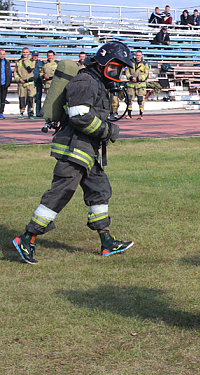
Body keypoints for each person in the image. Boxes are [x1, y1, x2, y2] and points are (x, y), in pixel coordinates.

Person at [12, 41, 135, 265]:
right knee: (60, 193)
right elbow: (80, 118)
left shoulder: (97, 82)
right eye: (115, 68)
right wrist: (107, 131)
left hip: (86, 151)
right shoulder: (85, 81)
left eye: (121, 70)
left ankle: (106, 242)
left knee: (100, 190)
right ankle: (27, 238)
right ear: (103, 65)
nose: (118, 74)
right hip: (74, 149)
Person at [125, 50, 149, 120]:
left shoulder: (145, 64)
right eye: (137, 55)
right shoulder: (130, 63)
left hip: (140, 86)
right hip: (131, 85)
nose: (138, 57)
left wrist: (138, 79)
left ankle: (140, 115)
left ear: (141, 56)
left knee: (141, 101)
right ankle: (129, 114)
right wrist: (130, 78)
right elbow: (127, 72)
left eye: (139, 55)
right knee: (129, 100)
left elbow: (146, 75)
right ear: (135, 55)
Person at [14, 47, 36, 120]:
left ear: (29, 53)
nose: (25, 54)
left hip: (30, 83)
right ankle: (21, 113)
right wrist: (18, 79)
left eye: (26, 52)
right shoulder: (18, 62)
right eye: (24, 52)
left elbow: (30, 69)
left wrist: (25, 61)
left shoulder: (32, 61)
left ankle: (31, 112)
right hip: (21, 83)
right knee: (22, 99)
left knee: (31, 98)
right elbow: (15, 72)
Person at [0, 48, 12, 120]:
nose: (2, 55)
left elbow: (9, 73)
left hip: (4, 84)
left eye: (3, 54)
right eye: (1, 54)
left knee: (2, 99)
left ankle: (1, 112)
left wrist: (8, 82)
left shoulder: (7, 63)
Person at [31, 50, 44, 117]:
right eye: (34, 55)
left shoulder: (41, 63)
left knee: (38, 98)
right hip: (31, 82)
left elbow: (42, 71)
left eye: (36, 56)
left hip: (38, 82)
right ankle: (30, 112)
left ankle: (38, 112)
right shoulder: (29, 62)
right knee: (31, 98)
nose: (35, 57)